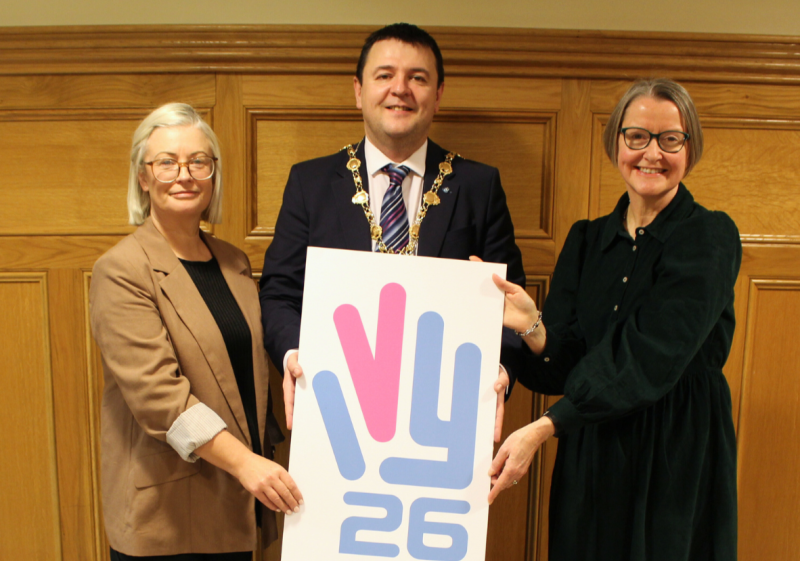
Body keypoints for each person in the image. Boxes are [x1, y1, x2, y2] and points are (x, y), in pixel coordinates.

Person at [485, 79, 741, 561]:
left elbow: (651, 355)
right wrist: (531, 327)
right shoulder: (586, 240)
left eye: (671, 139)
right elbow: (563, 366)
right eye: (637, 136)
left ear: (690, 149)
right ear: (616, 143)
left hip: (676, 448)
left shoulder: (710, 236)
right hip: (594, 444)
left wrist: (544, 428)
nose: (652, 153)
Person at [259, 23, 526, 439]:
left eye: (417, 78)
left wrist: (500, 368)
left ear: (437, 95)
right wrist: (294, 354)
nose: (399, 89)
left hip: (444, 409)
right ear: (358, 90)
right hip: (335, 402)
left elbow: (512, 301)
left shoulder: (479, 186)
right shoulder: (309, 183)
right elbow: (279, 291)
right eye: (384, 75)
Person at [90, 103, 303, 560]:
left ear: (213, 174)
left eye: (198, 161)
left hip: (239, 502)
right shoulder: (121, 270)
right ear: (143, 177)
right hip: (171, 514)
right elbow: (160, 398)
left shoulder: (233, 263)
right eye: (166, 162)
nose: (183, 174)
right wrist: (247, 463)